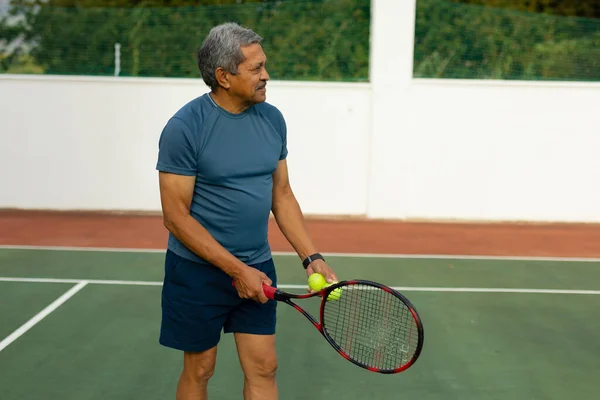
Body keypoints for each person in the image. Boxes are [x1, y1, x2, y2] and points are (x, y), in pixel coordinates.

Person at [155, 22, 338, 400]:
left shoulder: (272, 120)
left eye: (264, 65)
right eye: (255, 69)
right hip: (196, 272)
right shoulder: (185, 128)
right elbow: (175, 217)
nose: (266, 76)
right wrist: (236, 271)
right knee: (201, 367)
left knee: (264, 367)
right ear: (223, 76)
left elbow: (282, 195)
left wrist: (311, 257)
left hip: (258, 265)